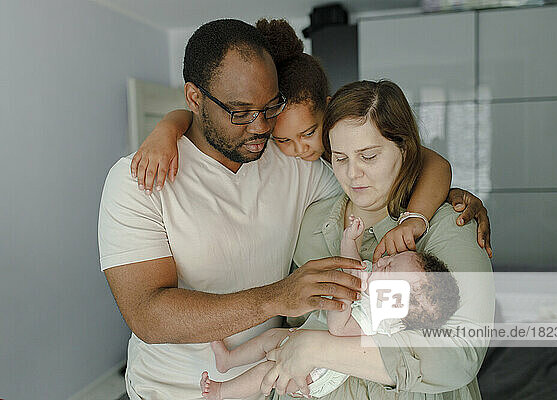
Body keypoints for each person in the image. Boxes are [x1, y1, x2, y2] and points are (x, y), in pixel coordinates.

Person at [98, 19, 481, 399]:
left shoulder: (290, 158)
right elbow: (148, 315)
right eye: (240, 112)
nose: (260, 126)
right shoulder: (142, 178)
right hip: (172, 391)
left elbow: (390, 165)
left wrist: (447, 197)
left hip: (276, 386)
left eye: (270, 107)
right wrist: (280, 296)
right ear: (195, 98)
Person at [130, 19, 493, 260]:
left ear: (330, 112)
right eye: (283, 140)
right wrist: (166, 129)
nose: (300, 149)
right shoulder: (270, 151)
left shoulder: (352, 135)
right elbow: (198, 116)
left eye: (308, 133)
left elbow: (430, 162)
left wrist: (426, 211)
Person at [260, 80, 495, 400]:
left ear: (404, 149)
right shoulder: (309, 227)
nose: (353, 174)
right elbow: (293, 328)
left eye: (368, 156)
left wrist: (319, 348)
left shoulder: (451, 226)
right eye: (340, 158)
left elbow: (460, 356)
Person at [197, 217, 460, 400]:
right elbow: (351, 266)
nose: (383, 261)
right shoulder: (371, 278)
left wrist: (347, 293)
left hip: (317, 372)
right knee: (271, 339)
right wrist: (350, 240)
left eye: (390, 268)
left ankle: (222, 391)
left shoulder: (378, 321)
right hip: (303, 336)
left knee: (269, 370)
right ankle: (228, 360)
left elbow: (339, 326)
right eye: (392, 258)